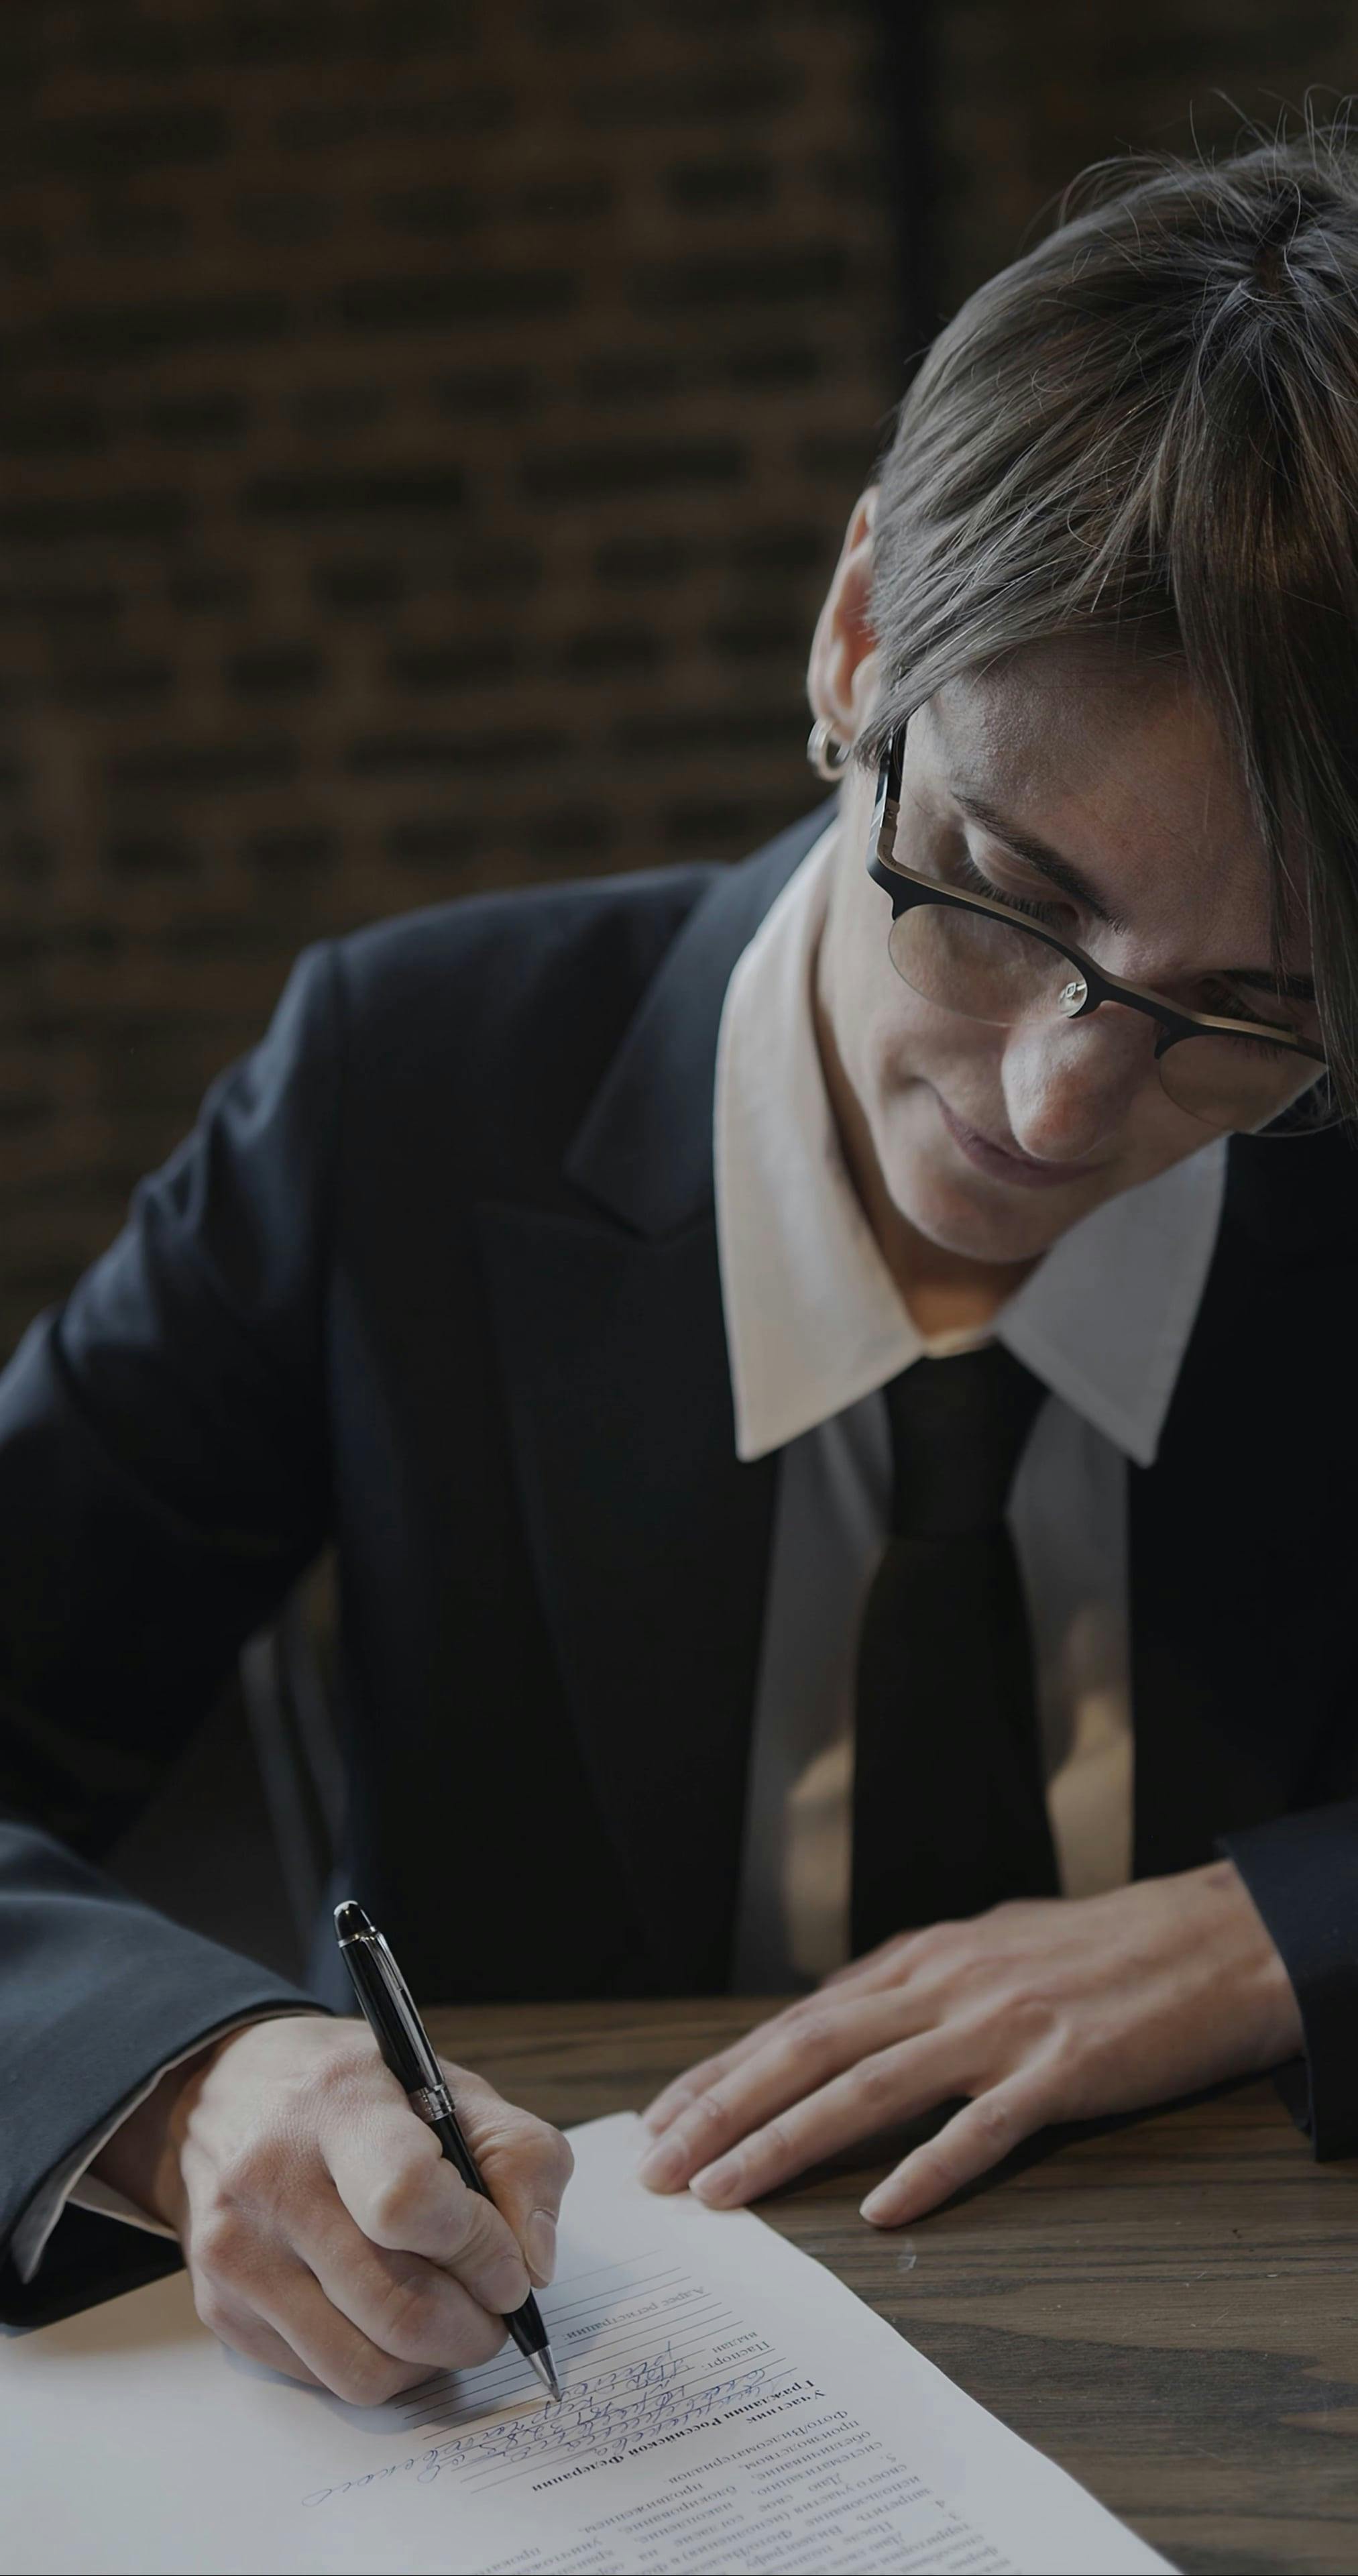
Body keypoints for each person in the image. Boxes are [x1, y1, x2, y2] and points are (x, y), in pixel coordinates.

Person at [3, 127, 1358, 2407]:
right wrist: (186, 2084)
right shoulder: (397, 1096)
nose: (1052, 1107)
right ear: (853, 638)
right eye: (1003, 888)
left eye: (1245, 1009)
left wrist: (1285, 1926)